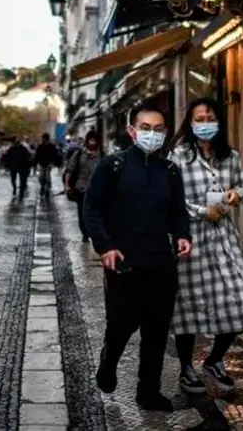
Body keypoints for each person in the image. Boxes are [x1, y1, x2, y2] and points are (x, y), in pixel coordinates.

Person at [82, 103, 192, 411]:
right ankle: (109, 359)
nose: (152, 134)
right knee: (121, 324)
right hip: (122, 260)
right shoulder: (111, 166)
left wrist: (183, 235)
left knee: (156, 328)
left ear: (166, 133)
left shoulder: (170, 171)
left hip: (160, 261)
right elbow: (91, 209)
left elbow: (178, 213)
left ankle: (148, 391)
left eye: (158, 129)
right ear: (132, 131)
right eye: (146, 128)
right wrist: (105, 246)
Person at [167, 97, 243, 395]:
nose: (206, 124)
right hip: (190, 241)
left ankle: (215, 359)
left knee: (237, 302)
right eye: (200, 118)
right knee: (188, 308)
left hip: (225, 241)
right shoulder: (178, 157)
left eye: (210, 118)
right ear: (190, 123)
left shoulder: (231, 156)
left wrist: (235, 195)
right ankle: (186, 368)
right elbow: (172, 200)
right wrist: (204, 211)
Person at [64, 130, 103, 242]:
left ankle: (94, 232)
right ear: (87, 141)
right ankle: (85, 234)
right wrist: (67, 185)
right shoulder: (79, 154)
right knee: (82, 212)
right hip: (81, 188)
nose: (92, 143)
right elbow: (69, 170)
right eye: (90, 140)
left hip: (97, 189)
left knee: (96, 212)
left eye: (95, 140)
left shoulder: (102, 155)